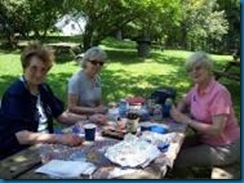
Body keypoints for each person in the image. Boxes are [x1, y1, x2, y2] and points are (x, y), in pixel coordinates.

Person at [0, 42, 85, 160]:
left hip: (46, 146)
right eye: (34, 68)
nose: (39, 74)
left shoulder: (43, 88)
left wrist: (89, 118)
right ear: (25, 67)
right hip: (20, 154)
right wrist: (59, 138)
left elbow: (61, 115)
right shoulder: (15, 94)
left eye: (43, 70)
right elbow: (21, 136)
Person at [170, 51, 240, 176]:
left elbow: (217, 130)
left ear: (208, 69)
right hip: (205, 139)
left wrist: (187, 120)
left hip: (225, 147)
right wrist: (178, 112)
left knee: (176, 158)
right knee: (170, 148)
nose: (194, 72)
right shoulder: (197, 88)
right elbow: (184, 100)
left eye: (198, 68)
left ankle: (187, 176)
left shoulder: (219, 93)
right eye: (190, 70)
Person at [68, 46, 107, 124]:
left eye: (101, 63)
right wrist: (94, 110)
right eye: (94, 62)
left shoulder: (97, 78)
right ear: (85, 62)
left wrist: (102, 108)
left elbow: (98, 103)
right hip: (78, 121)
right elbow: (71, 107)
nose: (98, 65)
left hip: (95, 118)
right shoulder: (76, 80)